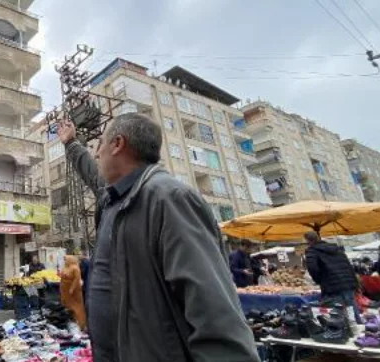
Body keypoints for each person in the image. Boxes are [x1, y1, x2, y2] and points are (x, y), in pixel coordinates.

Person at [58, 116, 257, 361]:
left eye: (99, 144)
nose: (96, 154)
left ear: (117, 144)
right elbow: (91, 172)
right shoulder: (115, 199)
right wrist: (70, 143)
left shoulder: (169, 199)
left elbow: (216, 315)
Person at [304, 231, 361, 323]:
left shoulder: (312, 251)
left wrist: (319, 280)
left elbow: (312, 268)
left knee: (336, 309)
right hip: (347, 282)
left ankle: (343, 329)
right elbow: (348, 265)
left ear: (307, 240)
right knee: (351, 306)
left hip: (331, 284)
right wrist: (354, 282)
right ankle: (358, 325)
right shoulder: (336, 248)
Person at [60, 255, 87, 330]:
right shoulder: (65, 267)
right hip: (65, 291)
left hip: (73, 292)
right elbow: (62, 276)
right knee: (67, 307)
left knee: (76, 308)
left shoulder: (75, 268)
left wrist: (72, 288)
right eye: (64, 260)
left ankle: (80, 324)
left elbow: (77, 279)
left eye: (66, 260)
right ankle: (69, 323)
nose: (65, 261)